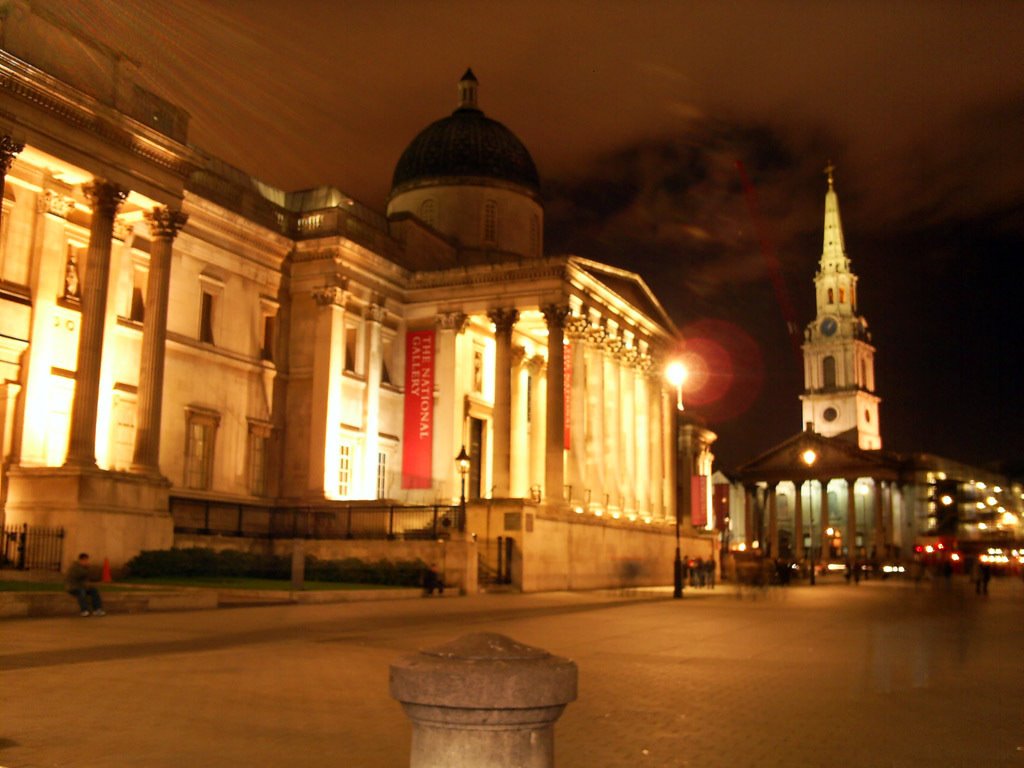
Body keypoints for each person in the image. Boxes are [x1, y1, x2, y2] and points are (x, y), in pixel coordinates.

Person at [65, 552, 105, 616]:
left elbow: (88, 577)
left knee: (94, 590)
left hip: (82, 586)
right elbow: (80, 575)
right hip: (73, 587)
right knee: (81, 592)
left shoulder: (83, 567)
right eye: (85, 560)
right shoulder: (75, 567)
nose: (86, 562)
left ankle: (97, 609)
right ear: (81, 560)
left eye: (87, 560)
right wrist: (87, 568)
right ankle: (84, 610)